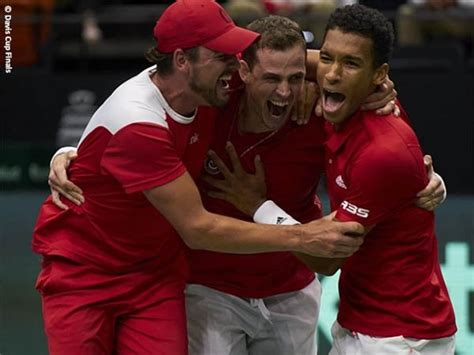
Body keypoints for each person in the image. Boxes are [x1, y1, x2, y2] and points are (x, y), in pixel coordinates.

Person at [48, 13, 447, 355]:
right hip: (209, 290)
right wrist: (69, 151)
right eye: (272, 78)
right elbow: (130, 122)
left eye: (295, 76)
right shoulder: (210, 101)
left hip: (292, 289)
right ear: (241, 72)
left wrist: (426, 178)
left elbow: (388, 152)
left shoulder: (323, 105)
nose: (286, 91)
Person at [212, 4, 456, 354]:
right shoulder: (335, 108)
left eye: (352, 64)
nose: (332, 75)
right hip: (360, 323)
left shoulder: (381, 148)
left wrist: (256, 204)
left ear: (378, 75)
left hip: (403, 337)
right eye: (327, 58)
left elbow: (327, 258)